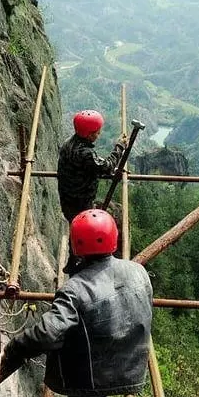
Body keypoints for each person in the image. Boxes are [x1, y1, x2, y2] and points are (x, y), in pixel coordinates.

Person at [1, 209, 152, 397]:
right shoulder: (138, 271)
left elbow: (49, 332)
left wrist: (15, 349)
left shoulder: (76, 288)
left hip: (91, 378)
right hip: (128, 367)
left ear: (77, 245)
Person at [57, 110, 127, 275]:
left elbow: (89, 167)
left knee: (75, 226)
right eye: (97, 132)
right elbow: (106, 166)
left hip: (67, 196)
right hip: (81, 199)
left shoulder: (68, 143)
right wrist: (119, 147)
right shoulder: (85, 153)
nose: (99, 134)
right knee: (85, 230)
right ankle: (81, 265)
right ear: (89, 135)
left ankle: (73, 260)